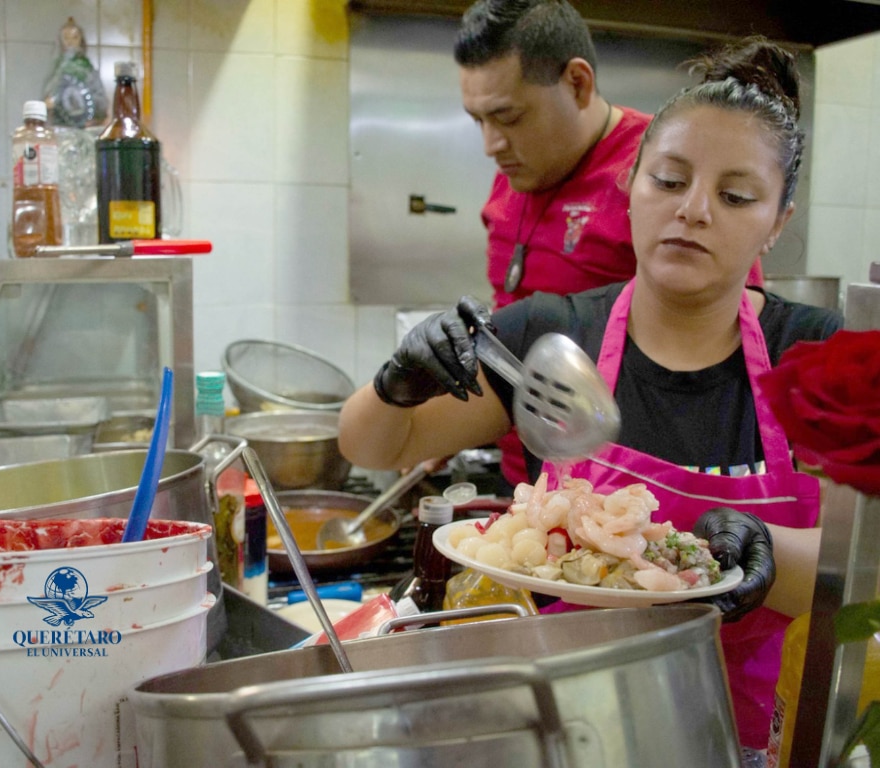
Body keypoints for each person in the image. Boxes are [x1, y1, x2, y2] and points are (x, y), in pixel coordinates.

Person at [339, 37, 841, 752]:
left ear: (779, 220)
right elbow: (373, 446)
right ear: (628, 186)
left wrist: (767, 551)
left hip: (761, 742)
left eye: (735, 196)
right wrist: (397, 384)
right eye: (668, 181)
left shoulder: (822, 359)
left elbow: (866, 576)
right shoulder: (554, 336)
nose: (694, 211)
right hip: (573, 733)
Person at [454, 0, 766, 493]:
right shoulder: (516, 172)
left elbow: (728, 347)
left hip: (624, 495)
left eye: (508, 117)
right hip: (525, 478)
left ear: (577, 83)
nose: (491, 143)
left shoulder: (662, 174)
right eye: (478, 121)